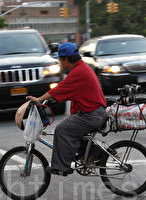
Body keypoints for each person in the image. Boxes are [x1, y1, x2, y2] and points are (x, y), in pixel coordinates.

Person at [26, 42, 107, 176]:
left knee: (62, 129)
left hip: (91, 115)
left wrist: (39, 100)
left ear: (66, 59)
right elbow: (66, 91)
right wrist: (50, 99)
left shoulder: (78, 72)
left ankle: (61, 167)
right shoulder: (83, 68)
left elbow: (60, 88)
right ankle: (94, 153)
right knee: (70, 125)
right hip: (94, 113)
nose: (60, 63)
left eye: (60, 60)